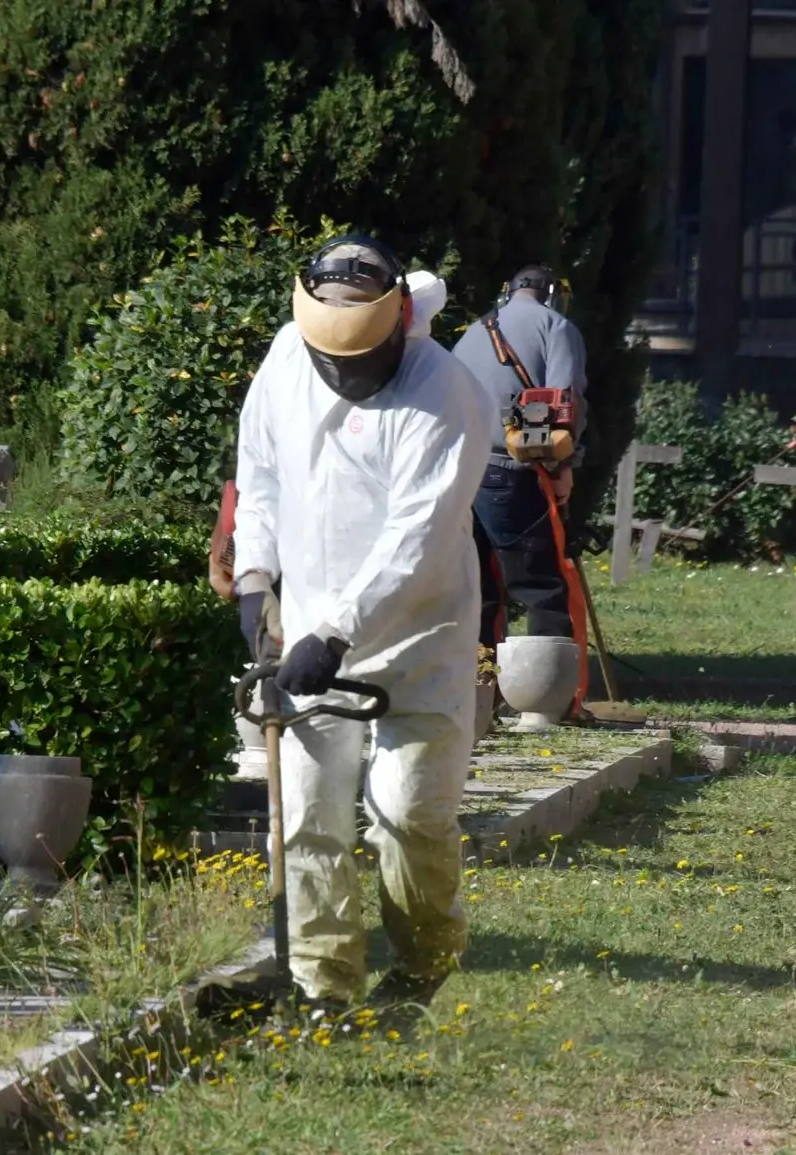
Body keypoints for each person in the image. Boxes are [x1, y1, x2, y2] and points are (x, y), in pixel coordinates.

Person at [231, 235, 492, 1008]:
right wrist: (254, 577)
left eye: (358, 362)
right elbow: (263, 469)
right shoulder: (286, 355)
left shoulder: (447, 394)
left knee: (409, 814)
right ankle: (324, 986)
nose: (341, 376)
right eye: (328, 360)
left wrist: (335, 630)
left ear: (398, 324)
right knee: (308, 815)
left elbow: (416, 536)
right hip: (310, 634)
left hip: (421, 636)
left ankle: (424, 969)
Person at [451, 265, 588, 661]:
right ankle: (547, 698)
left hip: (462, 472)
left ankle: (480, 691)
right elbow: (564, 403)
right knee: (541, 586)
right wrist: (565, 467)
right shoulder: (556, 327)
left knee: (478, 590)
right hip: (513, 472)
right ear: (551, 294)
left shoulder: (474, 331)